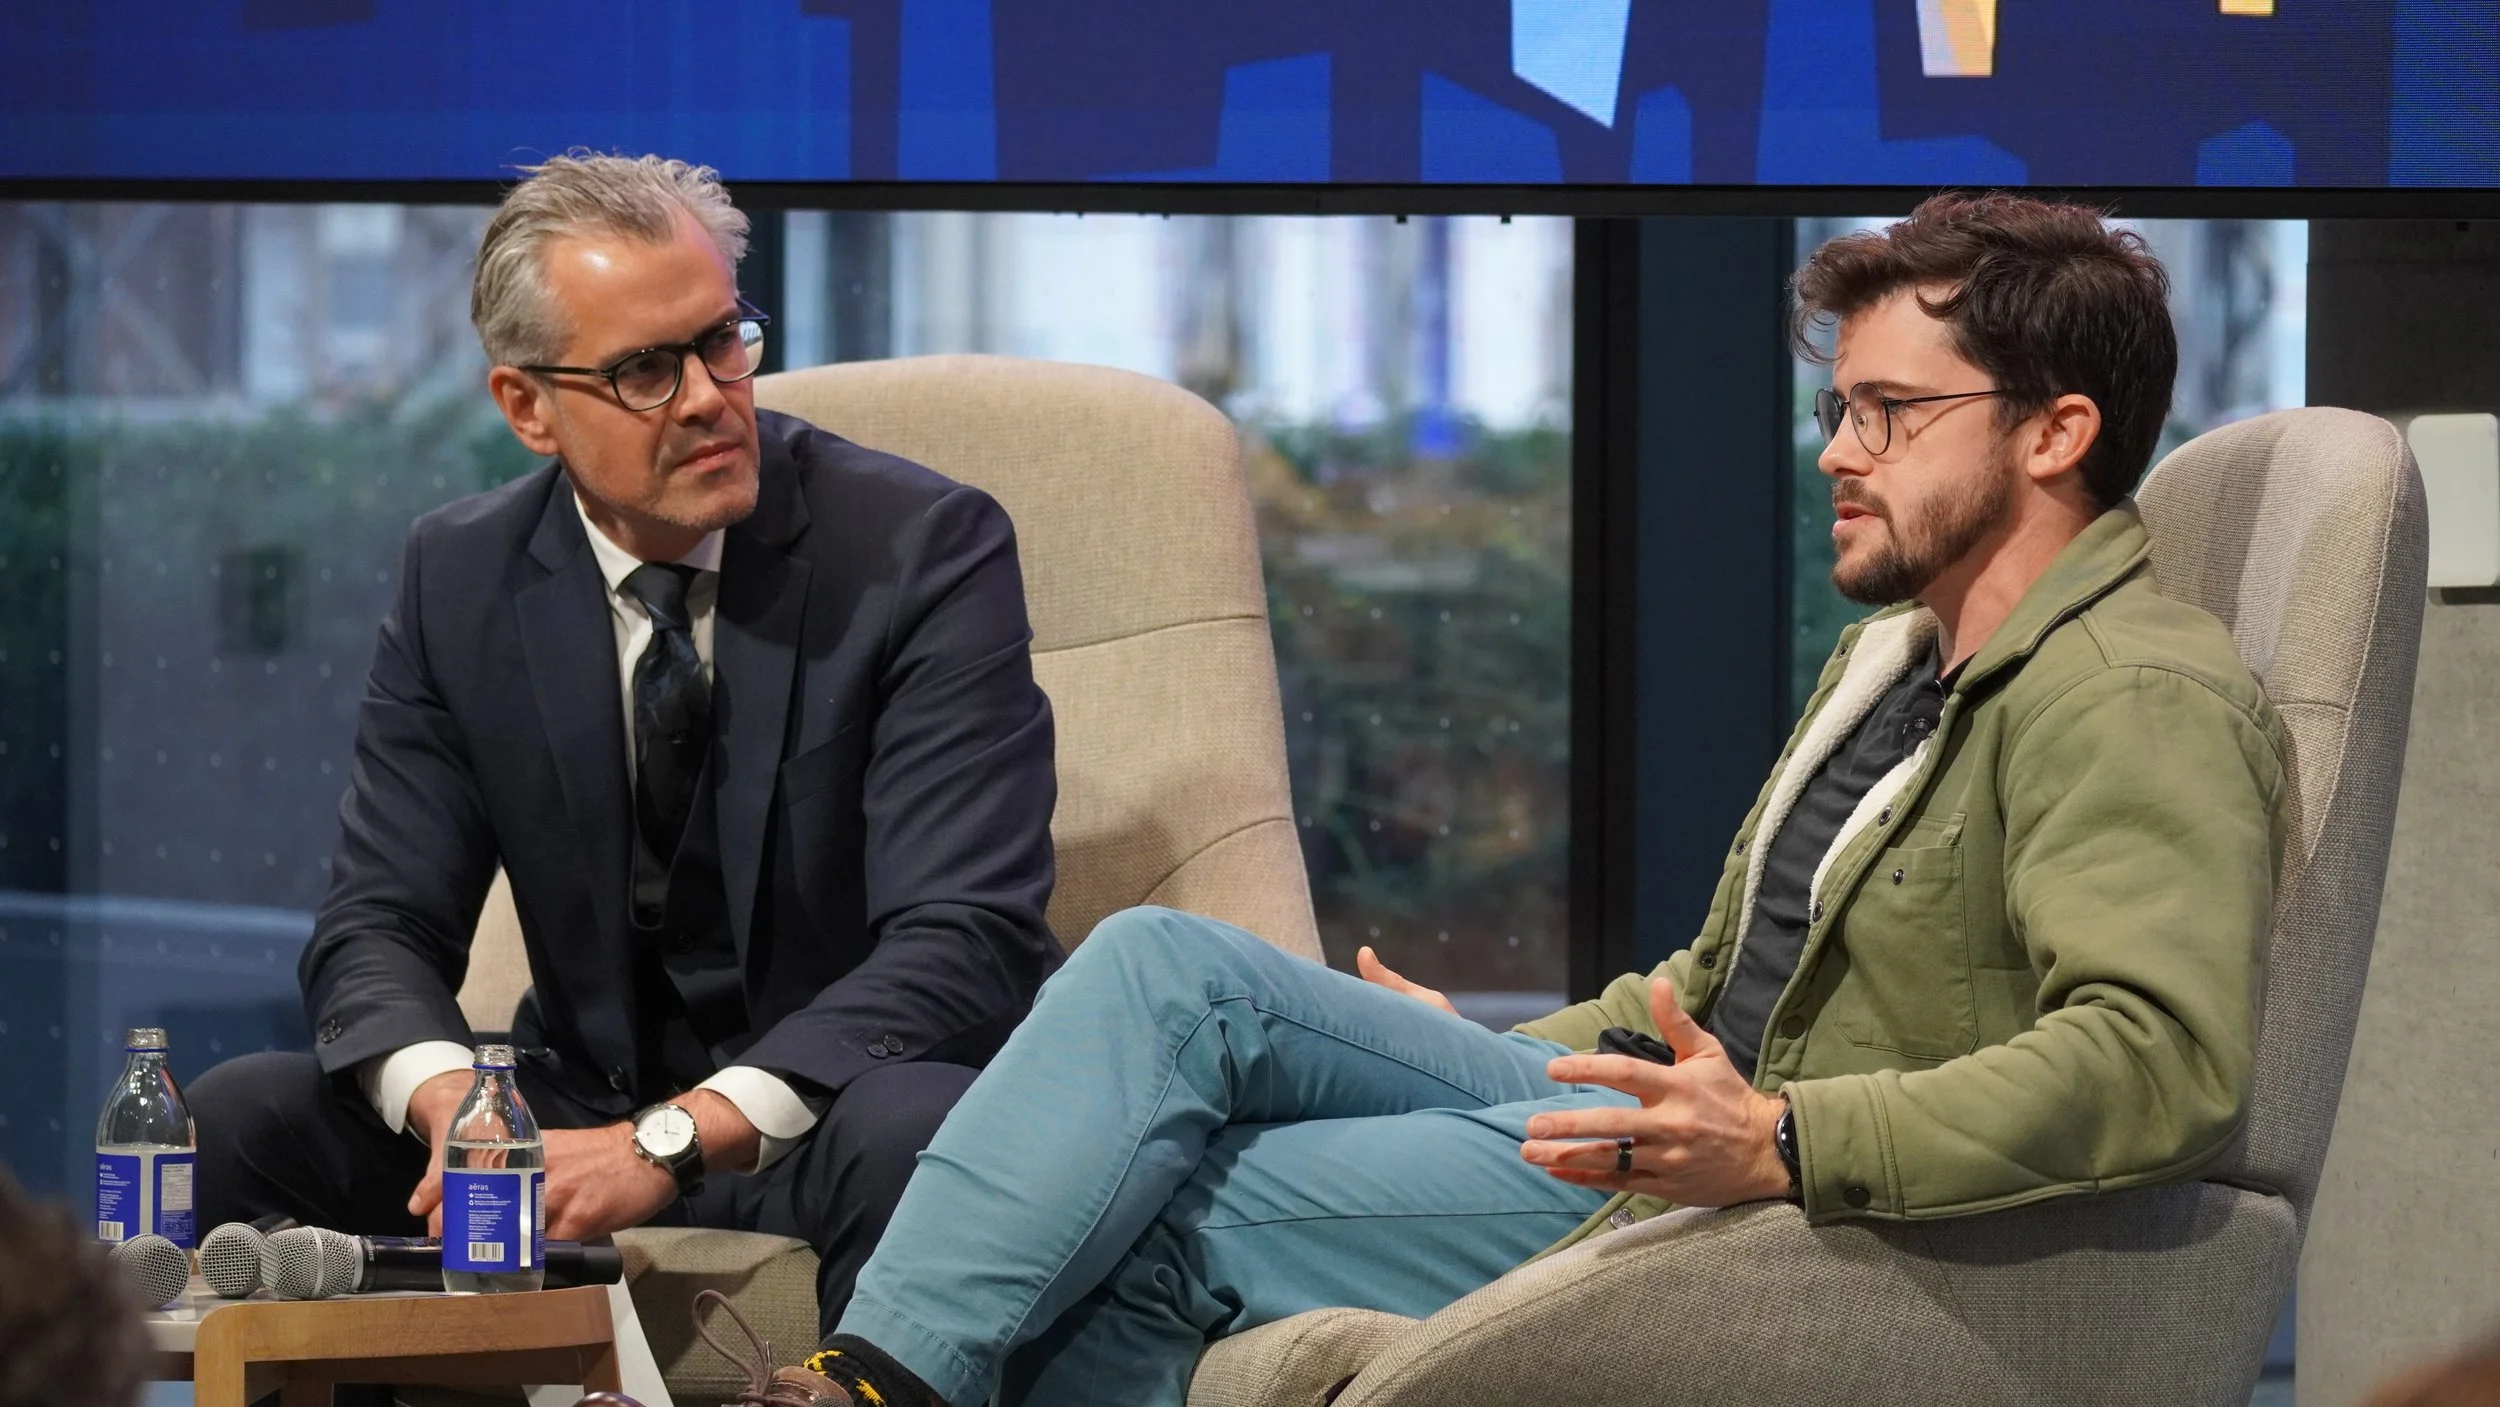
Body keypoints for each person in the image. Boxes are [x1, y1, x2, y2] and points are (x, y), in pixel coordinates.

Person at [731, 190, 2289, 1407]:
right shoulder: (1897, 658)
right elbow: (1710, 985)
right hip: (1647, 1099)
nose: (1839, 455)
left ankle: (871, 1381)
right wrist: (1486, 1054)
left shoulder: (2129, 693)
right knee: (1161, 967)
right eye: (1839, 412)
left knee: (1168, 1200)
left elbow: (2161, 1062)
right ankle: (877, 1378)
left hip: (1760, 1198)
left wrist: (1794, 1135)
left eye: (1891, 414)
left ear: (2057, 430)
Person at [187, 152, 1060, 1334]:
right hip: (574, 1100)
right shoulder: (462, 578)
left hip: (834, 1103)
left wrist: (668, 1143)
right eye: (647, 369)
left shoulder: (922, 551)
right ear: (527, 407)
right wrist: (460, 1106)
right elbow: (378, 924)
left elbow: (968, 939)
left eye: (722, 342)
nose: (708, 396)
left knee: (917, 1135)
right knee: (250, 1116)